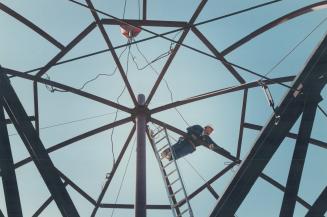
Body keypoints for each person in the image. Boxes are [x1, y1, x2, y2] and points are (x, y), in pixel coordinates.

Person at [161, 124, 237, 162]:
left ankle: (170, 157)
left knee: (183, 152)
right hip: (186, 139)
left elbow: (215, 146)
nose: (210, 131)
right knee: (179, 145)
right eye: (210, 129)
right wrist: (193, 134)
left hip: (191, 146)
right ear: (206, 127)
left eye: (211, 131)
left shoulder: (207, 138)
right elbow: (188, 128)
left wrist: (226, 152)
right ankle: (167, 152)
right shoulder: (198, 127)